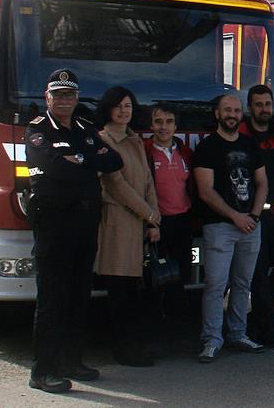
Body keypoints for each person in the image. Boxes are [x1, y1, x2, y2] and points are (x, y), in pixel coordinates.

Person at [26, 69, 123, 393]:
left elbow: (114, 162)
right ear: (47, 98)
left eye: (70, 95)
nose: (65, 100)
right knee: (53, 299)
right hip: (54, 223)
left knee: (79, 296)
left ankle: (71, 361)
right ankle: (42, 371)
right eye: (58, 95)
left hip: (85, 222)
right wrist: (88, 160)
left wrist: (77, 158)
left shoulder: (84, 128)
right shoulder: (38, 130)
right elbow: (52, 167)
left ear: (77, 98)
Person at [193, 93, 269, 363]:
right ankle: (212, 339)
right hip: (220, 228)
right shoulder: (206, 148)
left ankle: (238, 334)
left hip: (251, 226)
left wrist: (254, 216)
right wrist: (236, 217)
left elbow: (262, 183)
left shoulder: (250, 145)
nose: (232, 115)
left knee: (242, 283)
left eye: (237, 111)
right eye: (227, 110)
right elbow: (205, 191)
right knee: (215, 285)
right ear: (217, 113)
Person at [95, 87, 160, 367]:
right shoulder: (103, 140)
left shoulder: (134, 140)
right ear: (108, 109)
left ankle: (135, 345)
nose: (124, 111)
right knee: (119, 292)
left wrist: (154, 214)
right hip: (118, 222)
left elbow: (147, 180)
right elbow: (116, 184)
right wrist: (148, 213)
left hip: (139, 222)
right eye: (119, 106)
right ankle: (123, 349)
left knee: (135, 292)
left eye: (128, 106)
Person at [239, 85, 274, 347]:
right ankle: (268, 328)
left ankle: (260, 314)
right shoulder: (241, 137)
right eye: (258, 104)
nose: (264, 109)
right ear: (250, 107)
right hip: (253, 215)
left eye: (267, 104)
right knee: (258, 274)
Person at [143, 103, 196, 350]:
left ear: (176, 126)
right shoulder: (144, 153)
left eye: (169, 122)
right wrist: (150, 223)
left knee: (180, 280)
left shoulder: (185, 152)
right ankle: (155, 337)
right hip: (156, 226)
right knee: (155, 282)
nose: (163, 127)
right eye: (158, 121)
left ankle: (180, 336)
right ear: (151, 125)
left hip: (182, 224)